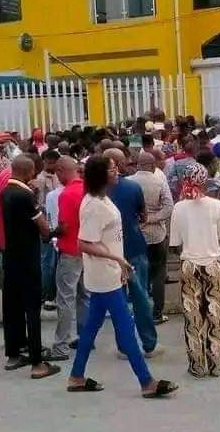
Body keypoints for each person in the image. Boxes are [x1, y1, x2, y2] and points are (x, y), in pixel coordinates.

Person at [68, 155, 177, 399]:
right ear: (101, 175)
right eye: (112, 169)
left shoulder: (102, 198)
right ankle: (146, 381)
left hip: (109, 272)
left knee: (92, 327)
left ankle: (76, 376)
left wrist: (119, 262)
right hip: (105, 275)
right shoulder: (94, 205)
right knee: (126, 328)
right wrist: (117, 259)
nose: (117, 171)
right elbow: (84, 243)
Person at [1, 155, 60, 379]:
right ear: (28, 172)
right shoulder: (25, 195)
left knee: (12, 306)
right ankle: (37, 362)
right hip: (28, 258)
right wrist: (54, 231)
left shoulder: (5, 192)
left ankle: (13, 353)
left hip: (11, 257)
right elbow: (43, 228)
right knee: (32, 309)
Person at [169, 163, 220, 378]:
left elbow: (175, 245)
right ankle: (216, 364)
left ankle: (197, 365)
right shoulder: (217, 206)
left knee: (192, 317)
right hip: (213, 264)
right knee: (215, 315)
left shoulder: (178, 208)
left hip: (189, 265)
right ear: (205, 181)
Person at [106, 149, 160, 357]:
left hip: (111, 253)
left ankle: (125, 346)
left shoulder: (96, 193)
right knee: (141, 296)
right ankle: (149, 343)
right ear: (119, 165)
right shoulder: (133, 187)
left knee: (118, 301)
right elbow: (143, 215)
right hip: (135, 248)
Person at [51, 157, 88, 360]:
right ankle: (85, 338)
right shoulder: (86, 189)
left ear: (60, 170)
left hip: (70, 251)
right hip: (86, 250)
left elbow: (64, 227)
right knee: (85, 297)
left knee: (65, 299)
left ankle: (61, 346)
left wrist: (50, 233)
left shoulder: (66, 194)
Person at [131, 151, 173, 326]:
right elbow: (169, 207)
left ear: (137, 164)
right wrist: (153, 219)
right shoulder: (159, 182)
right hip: (157, 235)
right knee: (158, 273)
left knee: (138, 274)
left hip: (135, 234)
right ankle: (157, 313)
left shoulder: (129, 183)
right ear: (153, 165)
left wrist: (137, 221)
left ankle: (140, 312)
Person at [32, 149, 61, 309]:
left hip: (58, 224)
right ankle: (46, 294)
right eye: (49, 162)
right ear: (44, 162)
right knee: (47, 262)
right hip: (47, 225)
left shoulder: (58, 176)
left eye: (54, 162)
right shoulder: (40, 180)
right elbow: (39, 205)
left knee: (54, 262)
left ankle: (52, 293)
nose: (52, 165)